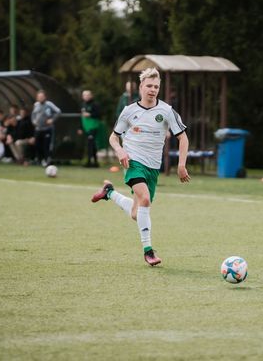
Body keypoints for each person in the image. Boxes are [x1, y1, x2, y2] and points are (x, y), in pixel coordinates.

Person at [91, 68, 191, 266]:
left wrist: (181, 165)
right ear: (141, 87)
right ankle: (148, 251)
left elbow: (183, 138)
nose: (153, 90)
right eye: (149, 86)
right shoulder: (129, 111)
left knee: (137, 213)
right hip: (133, 161)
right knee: (144, 198)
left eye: (156, 87)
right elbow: (113, 137)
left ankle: (109, 193)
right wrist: (120, 151)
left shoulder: (167, 111)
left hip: (153, 167)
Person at [31, 90, 61, 166]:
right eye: (39, 97)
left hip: (47, 129)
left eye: (42, 97)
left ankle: (46, 159)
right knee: (37, 145)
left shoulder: (49, 104)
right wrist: (34, 121)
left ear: (45, 97)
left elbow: (58, 111)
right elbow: (33, 115)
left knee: (46, 145)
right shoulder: (36, 105)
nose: (40, 98)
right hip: (38, 129)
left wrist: (52, 119)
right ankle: (39, 159)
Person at [78, 90, 102, 167]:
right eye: (84, 95)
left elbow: (99, 114)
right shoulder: (83, 105)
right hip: (86, 128)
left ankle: (90, 162)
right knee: (91, 145)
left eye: (88, 95)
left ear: (91, 96)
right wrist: (80, 128)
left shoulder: (95, 104)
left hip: (93, 127)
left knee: (90, 144)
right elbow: (81, 117)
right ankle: (94, 162)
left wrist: (90, 114)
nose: (86, 97)